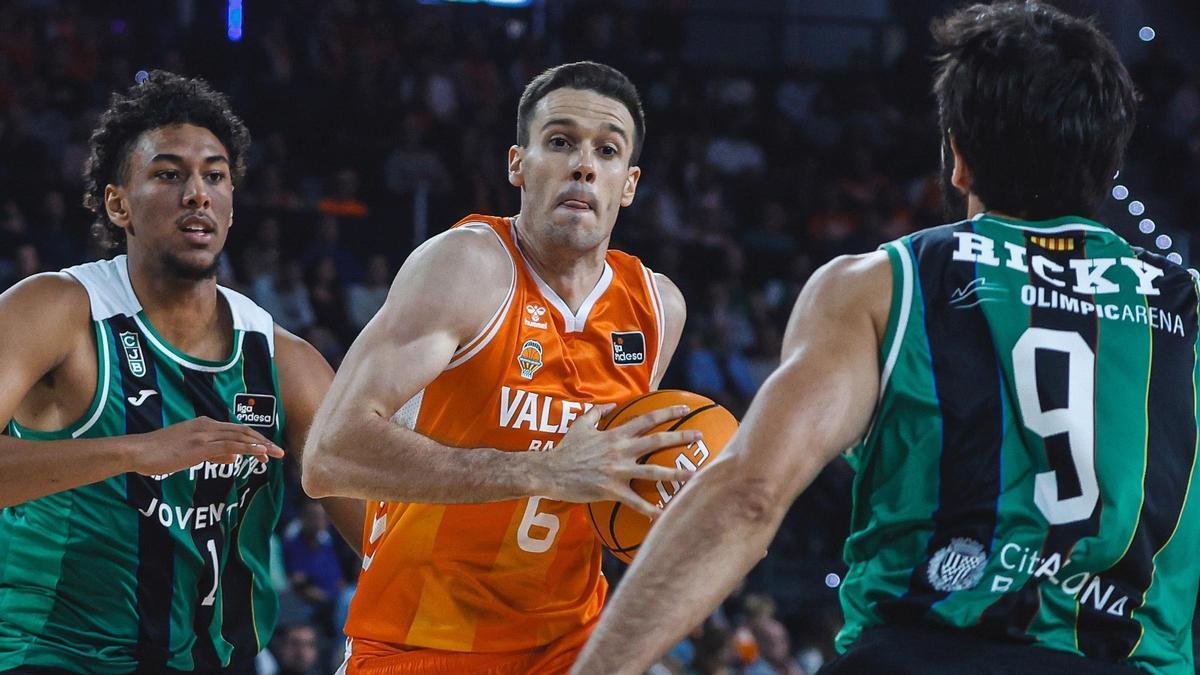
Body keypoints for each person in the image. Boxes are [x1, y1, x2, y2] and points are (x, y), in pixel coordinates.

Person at [572, 3, 1190, 673]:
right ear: (1109, 160)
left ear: (958, 156)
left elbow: (750, 496)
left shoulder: (885, 283)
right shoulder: (1188, 308)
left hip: (917, 654)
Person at [303, 61, 692, 674]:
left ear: (628, 183)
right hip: (422, 640)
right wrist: (544, 471)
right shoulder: (468, 267)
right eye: (560, 142)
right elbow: (330, 456)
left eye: (607, 150)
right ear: (518, 164)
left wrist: (681, 501)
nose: (583, 164)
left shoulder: (656, 307)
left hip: (568, 644)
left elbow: (615, 488)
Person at [0, 70, 361, 673]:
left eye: (214, 176)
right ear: (118, 203)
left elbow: (383, 539)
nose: (197, 193)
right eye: (168, 175)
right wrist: (140, 451)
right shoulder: (55, 310)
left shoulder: (284, 363)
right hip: (50, 655)